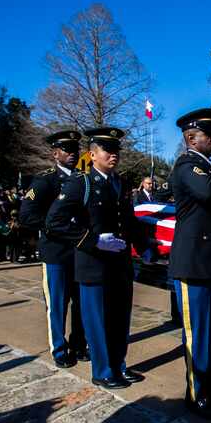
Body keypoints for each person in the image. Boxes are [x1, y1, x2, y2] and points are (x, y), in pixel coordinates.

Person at [46, 127, 149, 389]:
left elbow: (128, 219)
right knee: (98, 321)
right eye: (107, 150)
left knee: (120, 319)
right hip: (94, 264)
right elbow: (54, 222)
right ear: (92, 154)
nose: (113, 155)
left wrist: (144, 245)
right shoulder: (82, 183)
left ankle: (119, 365)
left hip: (120, 263)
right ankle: (102, 371)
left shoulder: (120, 183)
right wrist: (92, 240)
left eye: (116, 150)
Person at [168, 107, 211, 419]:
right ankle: (198, 395)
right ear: (191, 139)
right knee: (197, 333)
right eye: (208, 136)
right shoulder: (187, 166)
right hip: (193, 264)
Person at [19, 130, 89, 368]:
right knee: (57, 303)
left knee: (81, 302)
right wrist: (54, 227)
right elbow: (26, 216)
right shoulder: (45, 180)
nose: (72, 154)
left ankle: (79, 344)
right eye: (66, 150)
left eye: (75, 150)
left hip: (80, 250)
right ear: (55, 153)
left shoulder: (83, 178)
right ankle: (59, 349)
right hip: (56, 251)